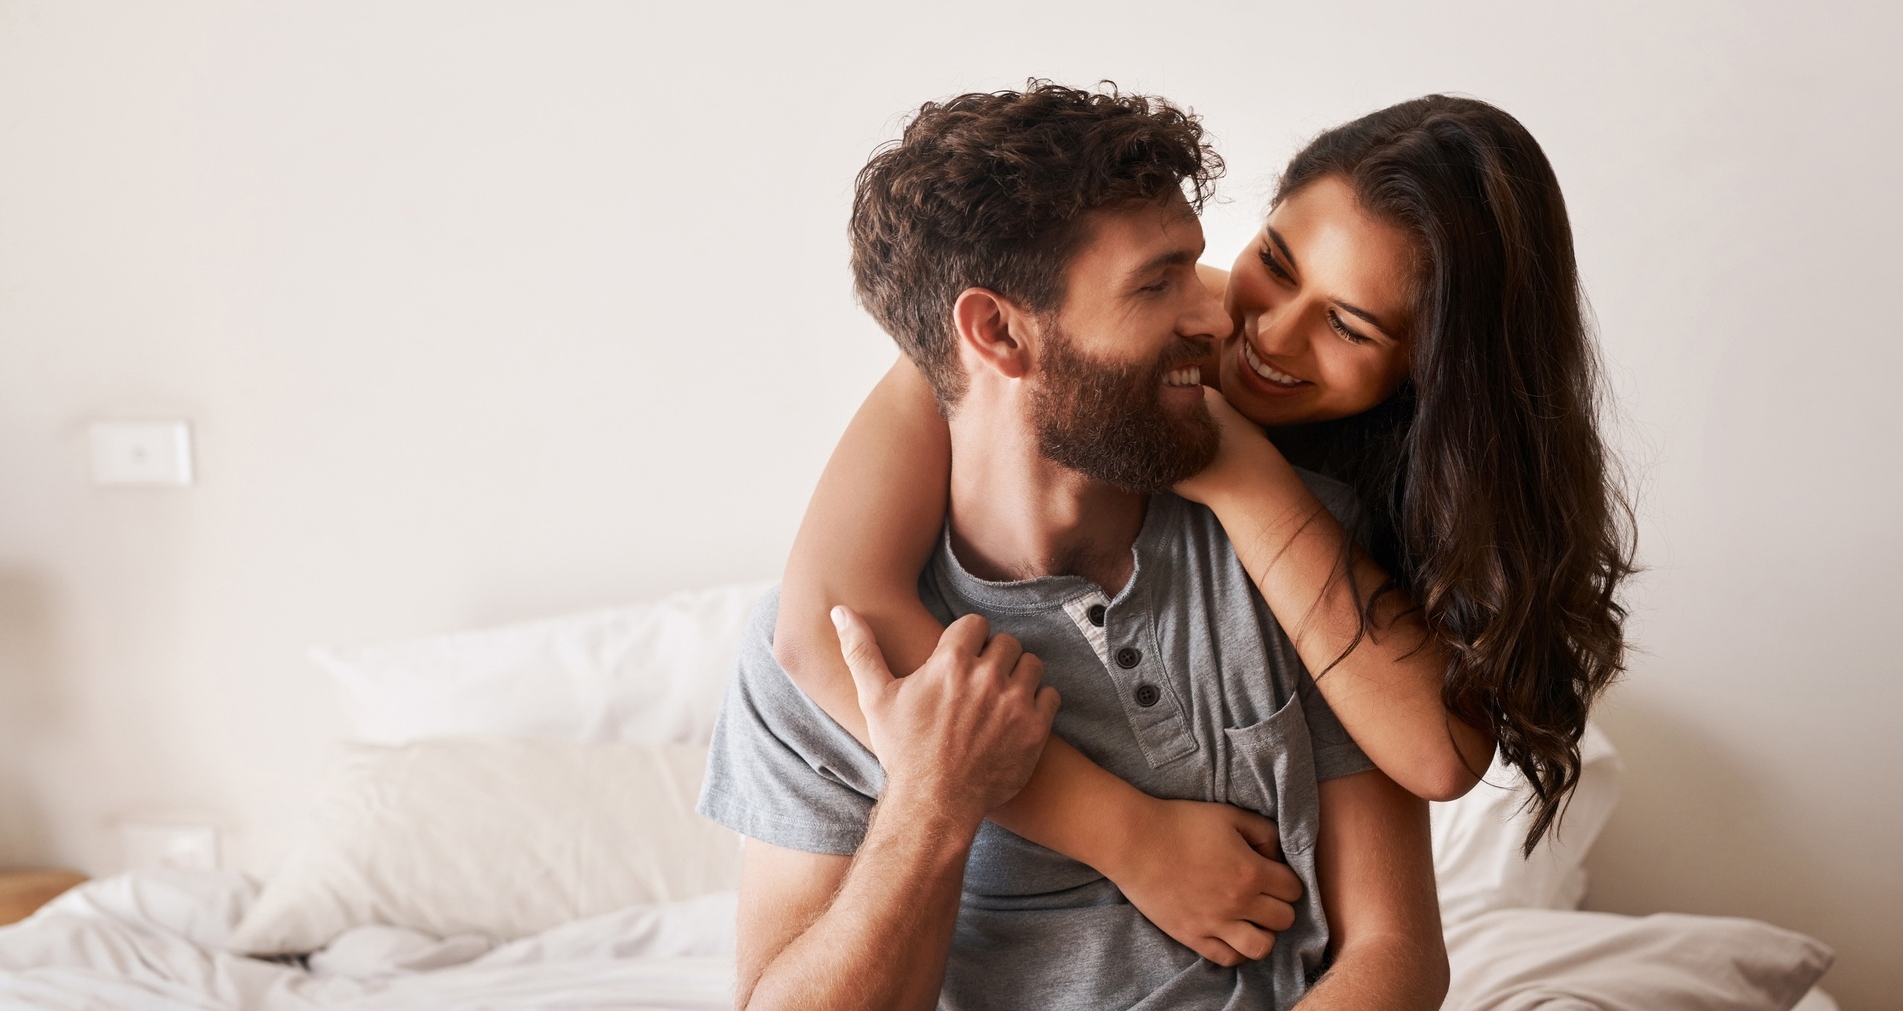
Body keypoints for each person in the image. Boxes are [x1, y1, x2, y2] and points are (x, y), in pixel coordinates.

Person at [771, 93, 1635, 963]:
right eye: (1276, 261)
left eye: (1347, 326)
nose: (1261, 333)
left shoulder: (1398, 479)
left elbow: (1439, 754)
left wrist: (1241, 473)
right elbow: (822, 622)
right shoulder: (1069, 339)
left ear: (1433, 373)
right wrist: (1131, 836)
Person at [698, 83, 1445, 1010]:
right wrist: (934, 800)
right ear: (996, 331)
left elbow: (1395, 954)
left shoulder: (1292, 559)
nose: (1222, 320)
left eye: (1197, 268)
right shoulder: (842, 657)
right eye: (1157, 283)